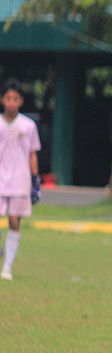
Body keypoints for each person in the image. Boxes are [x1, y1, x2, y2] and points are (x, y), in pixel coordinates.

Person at [0, 78, 41, 281]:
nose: (11, 103)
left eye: (15, 99)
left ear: (21, 101)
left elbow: (33, 153)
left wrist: (35, 181)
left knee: (14, 220)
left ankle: (7, 267)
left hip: (20, 180)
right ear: (2, 100)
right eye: (8, 98)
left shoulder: (29, 125)